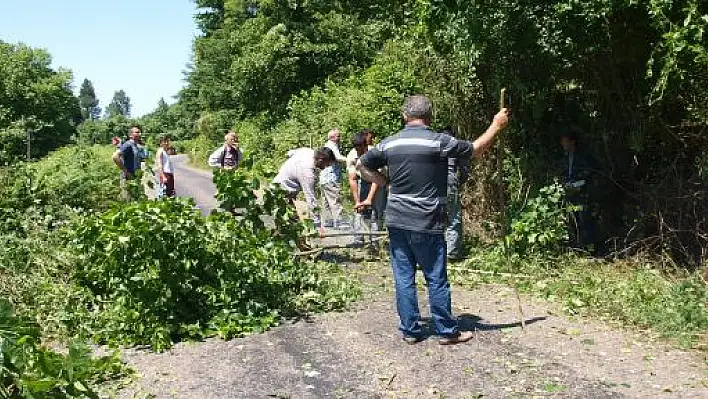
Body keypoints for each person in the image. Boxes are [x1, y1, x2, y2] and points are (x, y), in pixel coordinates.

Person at [357, 95, 509, 345]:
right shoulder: (440, 142)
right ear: (430, 117)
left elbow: (362, 165)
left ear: (405, 116)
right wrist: (496, 125)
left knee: (404, 277)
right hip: (427, 221)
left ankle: (410, 330)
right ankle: (447, 331)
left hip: (396, 220)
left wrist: (383, 182)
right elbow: (475, 149)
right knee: (435, 277)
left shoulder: (389, 144)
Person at [273, 147, 336, 234]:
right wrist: (317, 225)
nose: (326, 167)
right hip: (281, 192)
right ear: (321, 160)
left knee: (291, 221)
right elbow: (311, 200)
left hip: (279, 185)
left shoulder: (307, 151)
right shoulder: (308, 174)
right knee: (288, 222)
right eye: (327, 164)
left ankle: (294, 240)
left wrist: (290, 169)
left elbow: (289, 153)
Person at [559, 127, 600, 253]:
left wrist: (580, 181)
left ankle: (591, 249)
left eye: (565, 141)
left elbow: (593, 171)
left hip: (583, 194)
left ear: (573, 142)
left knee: (585, 220)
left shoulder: (584, 156)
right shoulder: (566, 157)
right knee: (572, 220)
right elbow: (564, 173)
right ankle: (576, 248)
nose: (563, 144)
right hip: (570, 193)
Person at [346, 130, 386, 246]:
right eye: (356, 149)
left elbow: (377, 179)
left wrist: (369, 199)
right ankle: (359, 240)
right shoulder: (352, 156)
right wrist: (357, 201)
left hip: (380, 182)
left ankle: (375, 242)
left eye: (361, 149)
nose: (358, 152)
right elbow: (352, 179)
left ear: (366, 145)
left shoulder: (375, 155)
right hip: (363, 181)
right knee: (360, 211)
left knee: (376, 212)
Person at [444, 127, 470, 260]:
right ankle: (452, 252)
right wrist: (460, 182)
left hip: (432, 183)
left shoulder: (435, 143)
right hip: (450, 180)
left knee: (433, 217)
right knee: (453, 216)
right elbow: (464, 170)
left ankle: (435, 251)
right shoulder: (457, 145)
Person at [319, 128, 348, 228]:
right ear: (332, 137)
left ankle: (327, 222)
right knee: (335, 200)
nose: (340, 138)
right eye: (338, 136)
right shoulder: (331, 146)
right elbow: (338, 157)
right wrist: (351, 160)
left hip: (324, 178)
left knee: (326, 202)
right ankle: (340, 223)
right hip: (331, 178)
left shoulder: (326, 145)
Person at [112, 126, 145, 200]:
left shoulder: (136, 146)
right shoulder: (128, 145)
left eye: (140, 132)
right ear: (130, 135)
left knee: (135, 201)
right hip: (128, 179)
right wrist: (126, 172)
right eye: (137, 132)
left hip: (135, 178)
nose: (140, 134)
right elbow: (115, 156)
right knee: (128, 201)